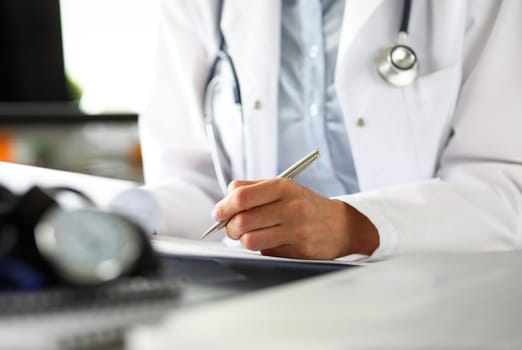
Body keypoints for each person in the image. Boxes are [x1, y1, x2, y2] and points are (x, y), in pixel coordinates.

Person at [137, 0, 522, 260]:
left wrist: (354, 225)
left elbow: (506, 187)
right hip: (257, 306)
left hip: (435, 304)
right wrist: (129, 215)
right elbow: (196, 182)